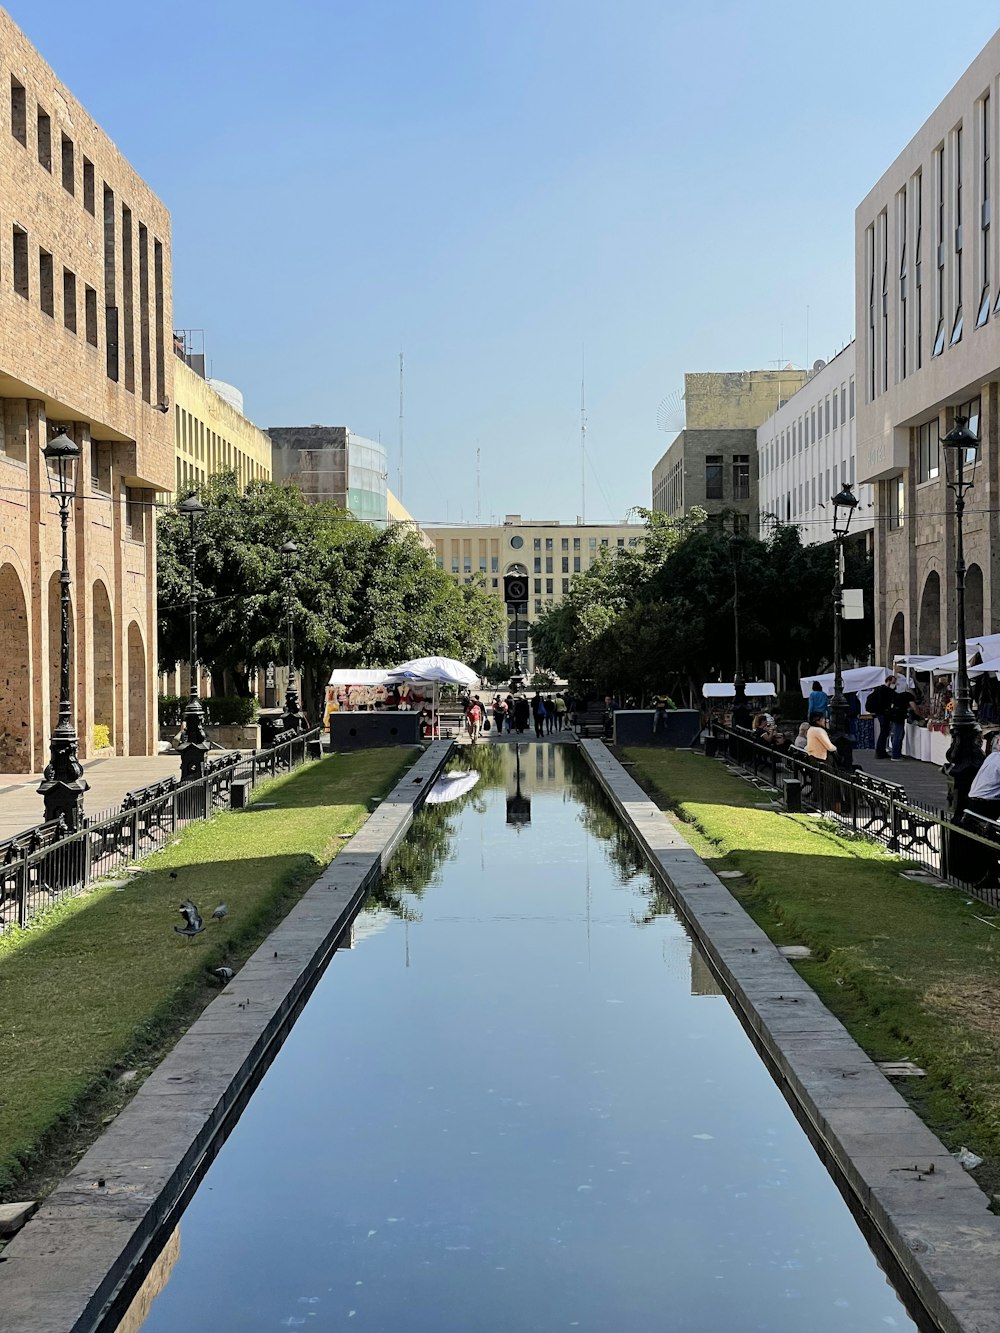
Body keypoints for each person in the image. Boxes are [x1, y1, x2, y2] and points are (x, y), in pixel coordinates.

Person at [867, 674, 896, 759]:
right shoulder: (884, 690)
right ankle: (880, 752)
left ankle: (881, 751)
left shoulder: (882, 689)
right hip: (882, 713)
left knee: (884, 732)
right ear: (889, 681)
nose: (895, 683)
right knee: (884, 732)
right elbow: (884, 701)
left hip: (882, 713)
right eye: (894, 681)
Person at [889, 679, 918, 760]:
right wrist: (920, 714)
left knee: (896, 734)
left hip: (894, 714)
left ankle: (897, 753)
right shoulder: (909, 696)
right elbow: (914, 707)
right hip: (899, 716)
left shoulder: (898, 695)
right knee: (898, 735)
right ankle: (895, 755)